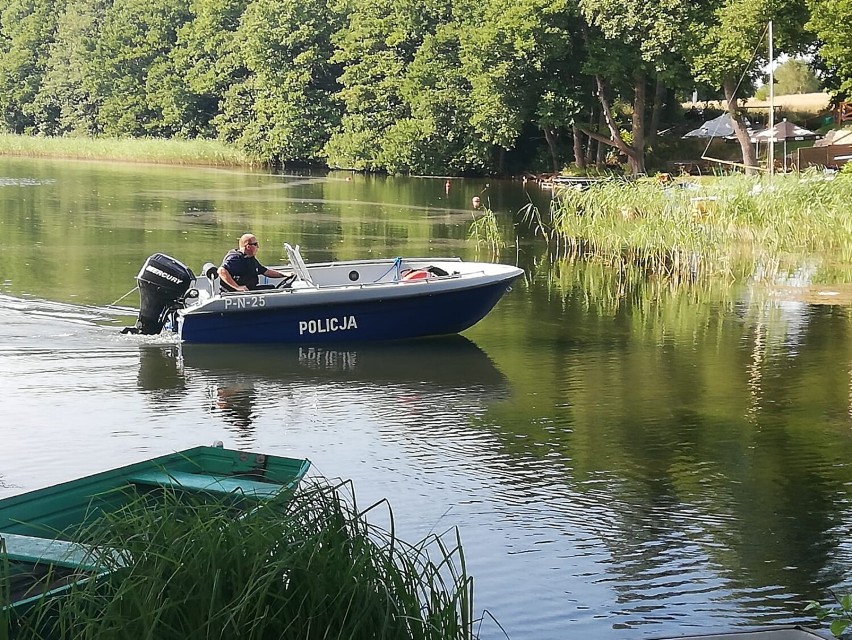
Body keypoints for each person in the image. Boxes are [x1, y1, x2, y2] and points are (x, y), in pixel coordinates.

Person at [218, 233, 288, 292]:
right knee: (272, 290)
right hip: (238, 293)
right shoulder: (236, 258)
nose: (258, 247)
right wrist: (237, 287)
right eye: (255, 244)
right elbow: (221, 271)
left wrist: (284, 274)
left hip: (250, 289)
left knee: (271, 288)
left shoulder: (249, 258)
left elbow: (265, 271)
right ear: (248, 247)